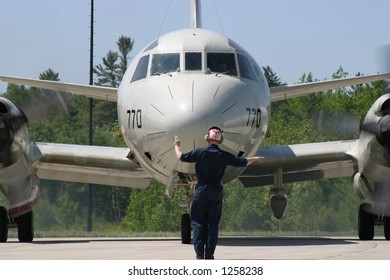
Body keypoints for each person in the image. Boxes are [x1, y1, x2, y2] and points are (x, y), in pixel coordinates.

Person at [174, 127, 263, 259]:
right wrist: (254, 158)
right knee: (213, 224)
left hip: (201, 190)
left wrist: (177, 145)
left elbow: (181, 156)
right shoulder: (223, 155)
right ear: (220, 140)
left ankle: (199, 254)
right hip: (215, 191)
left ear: (207, 138)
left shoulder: (199, 152)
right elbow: (241, 162)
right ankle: (210, 254)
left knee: (198, 223)